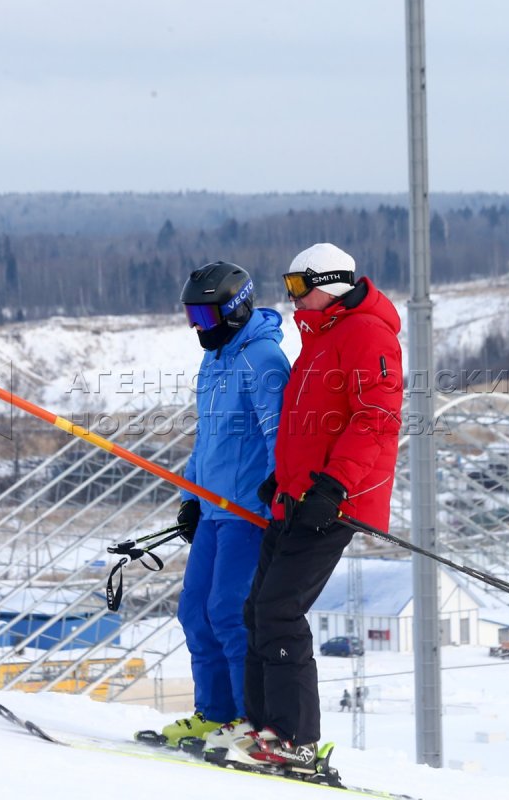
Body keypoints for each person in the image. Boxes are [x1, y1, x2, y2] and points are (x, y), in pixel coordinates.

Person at [219, 242, 403, 770]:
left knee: (280, 610)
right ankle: (263, 730)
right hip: (296, 497)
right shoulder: (322, 335)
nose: (294, 298)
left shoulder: (366, 333)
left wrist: (333, 486)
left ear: (332, 284)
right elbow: (311, 419)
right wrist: (284, 477)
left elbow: (375, 418)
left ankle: (295, 740)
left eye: (301, 287)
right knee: (257, 610)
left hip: (331, 503)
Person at [145, 261, 290, 748]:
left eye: (204, 318)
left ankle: (250, 722)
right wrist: (190, 499)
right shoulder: (217, 358)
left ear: (234, 309)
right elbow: (208, 440)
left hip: (248, 513)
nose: (195, 328)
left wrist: (278, 498)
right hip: (211, 509)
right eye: (191, 317)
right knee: (194, 611)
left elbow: (279, 438)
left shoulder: (263, 358)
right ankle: (215, 712)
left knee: (229, 612)